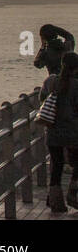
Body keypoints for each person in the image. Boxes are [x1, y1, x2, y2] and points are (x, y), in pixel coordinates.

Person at [40, 51, 78, 212]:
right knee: (77, 163)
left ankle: (55, 200)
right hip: (73, 132)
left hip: (52, 131)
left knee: (56, 166)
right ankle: (73, 193)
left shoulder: (50, 81)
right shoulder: (76, 85)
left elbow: (42, 99)